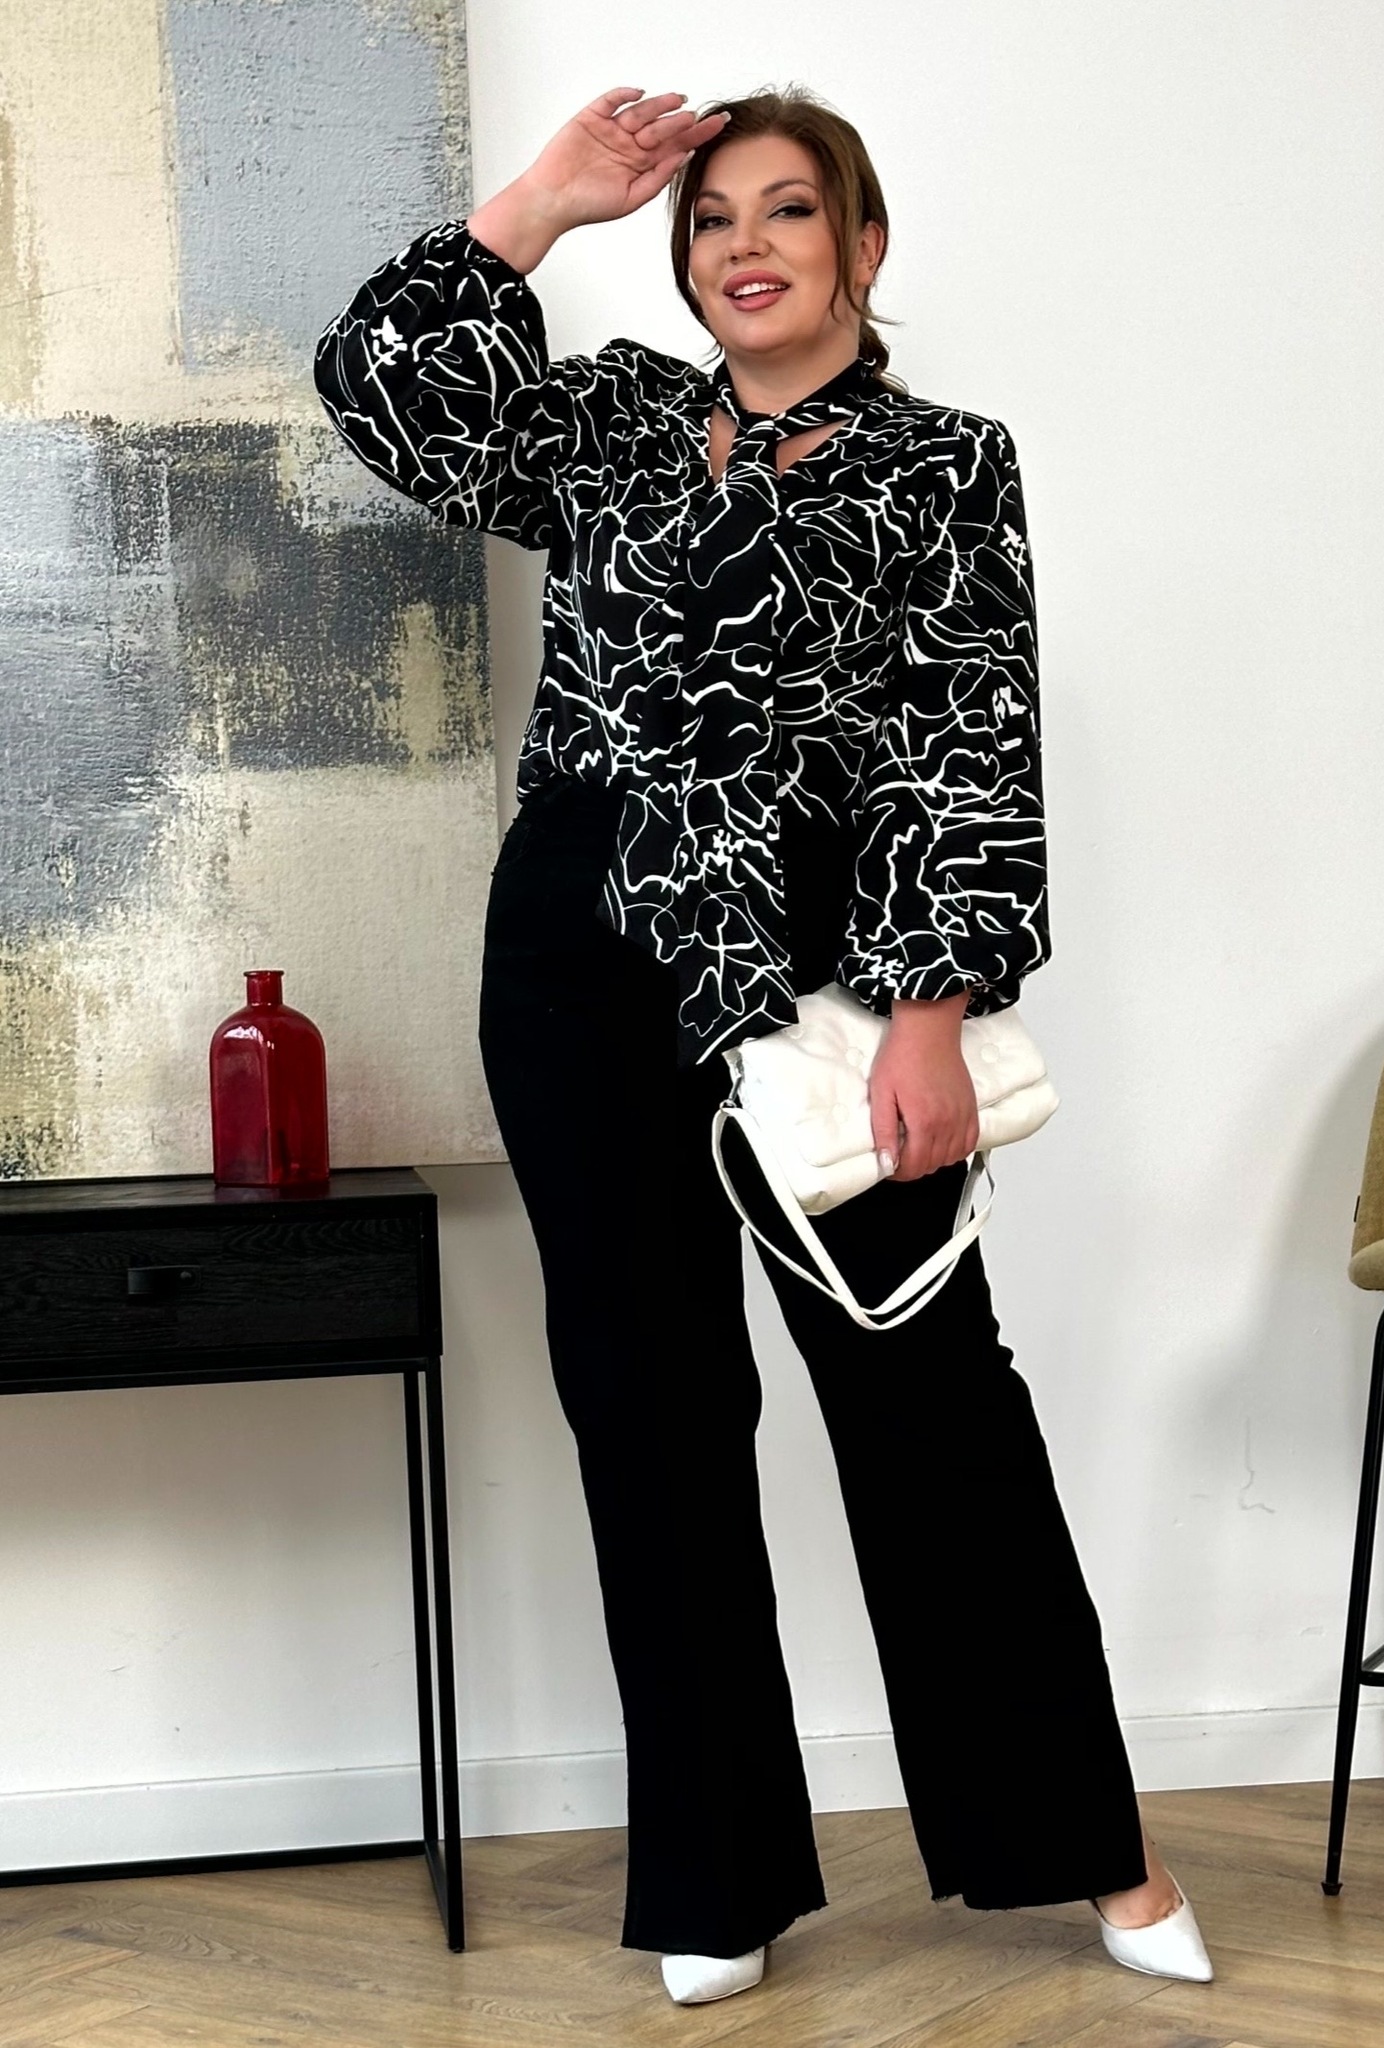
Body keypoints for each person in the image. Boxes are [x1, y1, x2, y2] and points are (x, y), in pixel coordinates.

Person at [314, 81, 1214, 2009]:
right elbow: (384, 390)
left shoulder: (945, 465)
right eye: (712, 217)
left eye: (787, 211)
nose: (744, 245)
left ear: (862, 248)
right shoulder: (614, 424)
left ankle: (1095, 1844)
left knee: (930, 1397)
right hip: (580, 948)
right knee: (648, 1413)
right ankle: (716, 1874)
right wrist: (544, 200)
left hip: (825, 969)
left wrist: (932, 1011)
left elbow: (969, 741)